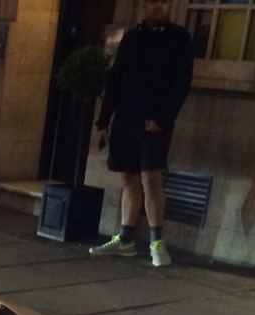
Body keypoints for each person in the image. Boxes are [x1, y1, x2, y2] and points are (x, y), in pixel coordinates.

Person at [89, 0, 194, 268]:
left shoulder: (179, 39)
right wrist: (104, 122)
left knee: (151, 178)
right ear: (145, 5)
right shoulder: (132, 38)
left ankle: (157, 243)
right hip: (126, 119)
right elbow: (116, 80)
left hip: (154, 123)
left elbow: (181, 84)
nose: (158, 6)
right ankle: (125, 240)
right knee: (128, 178)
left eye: (164, 2)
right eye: (153, 2)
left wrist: (163, 118)